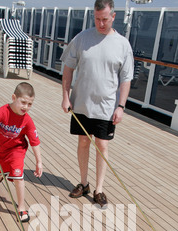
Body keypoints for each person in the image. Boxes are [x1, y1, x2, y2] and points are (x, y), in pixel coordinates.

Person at [61, 0, 134, 207]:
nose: (100, 23)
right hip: (81, 104)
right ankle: (83, 183)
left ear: (113, 16)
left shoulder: (122, 45)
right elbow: (68, 69)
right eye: (97, 19)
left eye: (104, 19)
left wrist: (121, 106)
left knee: (102, 146)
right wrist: (66, 96)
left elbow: (126, 79)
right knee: (83, 142)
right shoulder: (82, 39)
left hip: (107, 107)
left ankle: (99, 189)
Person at [0, 82, 42, 222]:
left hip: (16, 150)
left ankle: (21, 208)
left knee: (18, 176)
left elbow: (35, 142)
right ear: (14, 97)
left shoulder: (27, 120)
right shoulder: (2, 112)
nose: (26, 107)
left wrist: (39, 162)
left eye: (30, 104)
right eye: (23, 102)